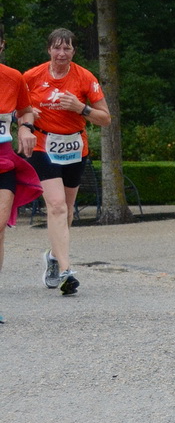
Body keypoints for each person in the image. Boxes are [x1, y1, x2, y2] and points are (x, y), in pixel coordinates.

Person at [23, 29, 112, 296]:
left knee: (69, 210)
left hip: (75, 147)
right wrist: (26, 114)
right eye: (57, 48)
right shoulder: (31, 77)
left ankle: (52, 256)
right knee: (57, 206)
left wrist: (81, 108)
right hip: (43, 146)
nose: (62, 53)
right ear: (49, 49)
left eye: (67, 49)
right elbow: (13, 108)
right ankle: (65, 270)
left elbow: (105, 118)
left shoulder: (85, 77)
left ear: (74, 52)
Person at [0, 27, 45, 321]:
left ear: (1, 44)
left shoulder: (13, 77)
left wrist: (25, 127)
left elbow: (26, 111)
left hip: (3, 162)